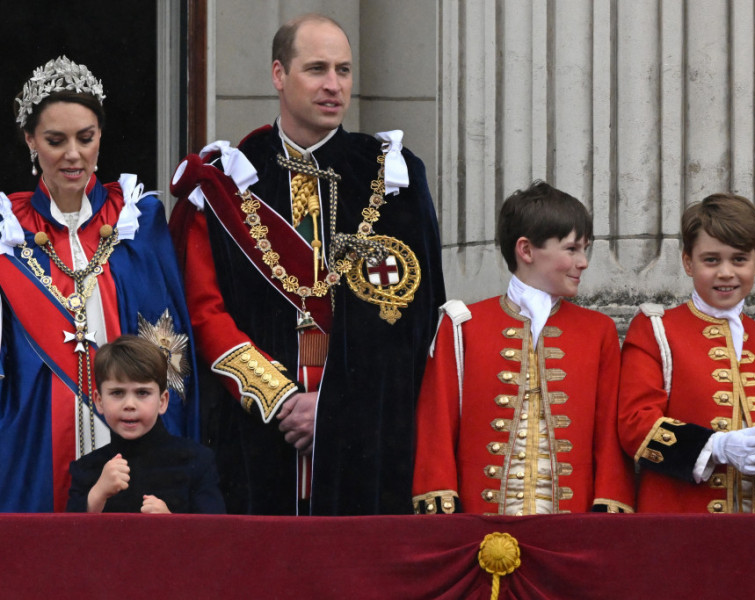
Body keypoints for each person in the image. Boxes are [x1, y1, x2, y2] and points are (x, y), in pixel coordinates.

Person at [168, 14, 445, 515]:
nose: (333, 85)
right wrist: (279, 400)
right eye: (316, 69)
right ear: (279, 74)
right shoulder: (227, 180)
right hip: (256, 430)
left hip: (366, 432)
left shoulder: (395, 174)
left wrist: (335, 406)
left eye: (343, 70)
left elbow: (415, 317)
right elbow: (204, 310)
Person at [0, 56, 199, 512]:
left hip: (132, 436)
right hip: (34, 438)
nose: (73, 154)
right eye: (55, 140)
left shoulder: (136, 218)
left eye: (85, 138)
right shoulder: (7, 230)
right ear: (30, 141)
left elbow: (169, 347)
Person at [412, 181, 633, 515]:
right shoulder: (463, 326)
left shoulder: (597, 330)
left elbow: (608, 437)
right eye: (572, 249)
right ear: (526, 250)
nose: (583, 261)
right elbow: (436, 426)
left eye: (584, 249)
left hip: (572, 527)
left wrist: (610, 505)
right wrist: (440, 506)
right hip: (480, 525)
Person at [617, 193, 755, 513]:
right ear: (688, 262)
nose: (725, 272)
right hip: (679, 527)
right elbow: (635, 425)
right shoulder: (656, 330)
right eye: (711, 260)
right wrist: (714, 446)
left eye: (739, 259)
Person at [67, 335, 224, 513]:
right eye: (117, 393)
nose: (129, 405)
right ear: (99, 401)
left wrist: (172, 524)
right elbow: (69, 539)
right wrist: (97, 495)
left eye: (142, 393)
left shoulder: (196, 462)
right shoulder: (86, 469)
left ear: (163, 401)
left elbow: (216, 536)